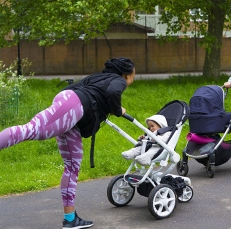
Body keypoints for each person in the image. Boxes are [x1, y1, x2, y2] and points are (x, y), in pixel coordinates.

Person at [0, 57, 136, 228]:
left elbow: (80, 90)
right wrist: (118, 110)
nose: (132, 80)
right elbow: (114, 92)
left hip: (73, 110)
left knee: (73, 165)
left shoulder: (100, 78)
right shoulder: (118, 80)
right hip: (74, 105)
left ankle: (70, 219)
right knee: (32, 130)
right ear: (126, 75)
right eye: (133, 77)